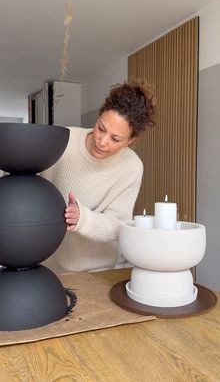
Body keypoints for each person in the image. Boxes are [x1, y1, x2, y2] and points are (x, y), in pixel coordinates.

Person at [42, 79, 156, 273]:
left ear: (131, 140)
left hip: (102, 270)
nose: (102, 142)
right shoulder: (64, 141)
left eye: (115, 139)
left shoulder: (131, 166)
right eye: (101, 128)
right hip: (53, 267)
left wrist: (81, 218)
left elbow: (118, 225)